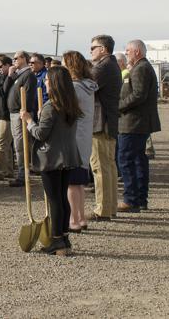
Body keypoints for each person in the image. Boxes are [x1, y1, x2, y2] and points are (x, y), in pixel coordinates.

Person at [23, 66, 83, 256]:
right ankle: (64, 238)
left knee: (55, 200)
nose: (45, 82)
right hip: (68, 155)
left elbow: (41, 134)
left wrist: (29, 121)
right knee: (62, 198)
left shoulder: (51, 106)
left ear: (55, 83)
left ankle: (57, 240)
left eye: (48, 80)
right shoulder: (70, 104)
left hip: (51, 157)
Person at [116, 40, 161, 212]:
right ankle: (139, 198)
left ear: (137, 51)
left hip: (133, 122)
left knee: (127, 159)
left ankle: (131, 199)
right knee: (137, 160)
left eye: (128, 50)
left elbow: (138, 94)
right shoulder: (140, 67)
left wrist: (118, 106)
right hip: (136, 122)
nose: (126, 53)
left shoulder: (141, 68)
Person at [62, 51, 97, 231]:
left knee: (72, 184)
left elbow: (66, 112)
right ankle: (80, 218)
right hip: (83, 138)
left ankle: (74, 220)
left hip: (74, 139)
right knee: (78, 184)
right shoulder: (87, 86)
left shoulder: (75, 88)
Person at [88, 35, 121, 221]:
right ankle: (110, 206)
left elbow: (86, 88)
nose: (90, 51)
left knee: (100, 167)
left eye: (93, 47)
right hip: (108, 122)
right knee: (108, 166)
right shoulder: (111, 65)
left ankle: (103, 209)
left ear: (103, 49)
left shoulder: (102, 67)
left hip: (101, 123)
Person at [5, 51, 37, 187]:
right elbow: (5, 89)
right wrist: (10, 75)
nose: (14, 61)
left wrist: (24, 111)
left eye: (16, 58)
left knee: (21, 145)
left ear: (24, 58)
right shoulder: (17, 74)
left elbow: (29, 96)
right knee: (18, 145)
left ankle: (23, 175)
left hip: (21, 113)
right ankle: (22, 172)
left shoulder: (28, 75)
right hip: (13, 113)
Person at [0, 54, 14, 178]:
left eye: (0, 66)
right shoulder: (2, 76)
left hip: (5, 114)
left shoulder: (10, 76)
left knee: (1, 144)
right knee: (6, 144)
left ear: (7, 65)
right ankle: (8, 170)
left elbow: (3, 92)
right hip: (0, 113)